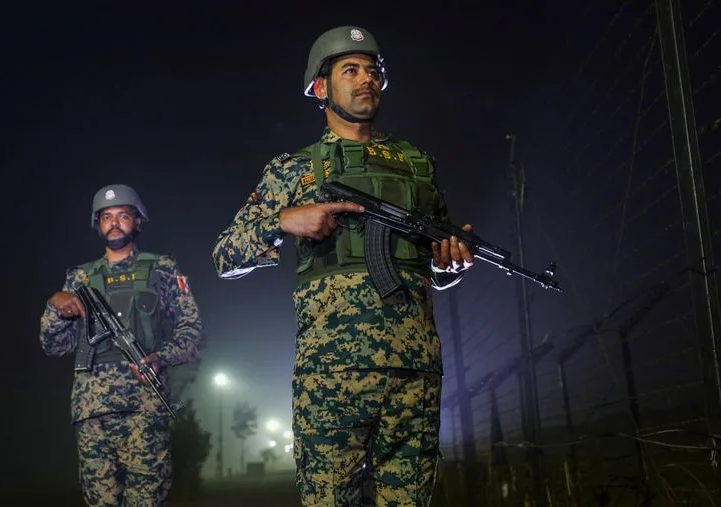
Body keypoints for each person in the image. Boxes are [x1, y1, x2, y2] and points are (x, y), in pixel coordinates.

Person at [211, 25, 474, 506]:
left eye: (372, 70)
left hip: (414, 371)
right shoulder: (294, 169)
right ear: (320, 88)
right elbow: (225, 255)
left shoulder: (417, 164)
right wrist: (283, 220)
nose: (366, 79)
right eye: (350, 70)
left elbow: (434, 263)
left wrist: (448, 267)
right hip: (331, 376)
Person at [39, 183, 205, 507]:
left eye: (123, 216)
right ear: (97, 224)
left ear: (138, 221)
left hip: (144, 408)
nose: (114, 223)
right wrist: (55, 306)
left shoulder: (162, 268)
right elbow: (54, 345)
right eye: (106, 217)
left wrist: (160, 357)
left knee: (148, 501)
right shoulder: (79, 277)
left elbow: (192, 331)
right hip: (92, 411)